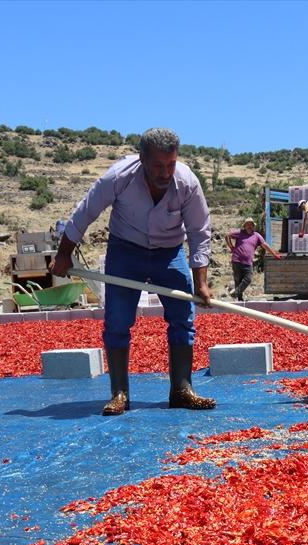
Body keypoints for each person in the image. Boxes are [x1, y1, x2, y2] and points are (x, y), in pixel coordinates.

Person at [51, 128, 215, 414]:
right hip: (125, 250)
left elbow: (199, 232)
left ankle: (182, 388)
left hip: (169, 253)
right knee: (117, 320)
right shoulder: (118, 177)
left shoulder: (187, 183)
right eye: (158, 165)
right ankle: (119, 393)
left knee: (182, 317)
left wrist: (200, 282)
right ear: (142, 159)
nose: (165, 173)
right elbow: (85, 213)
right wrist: (64, 254)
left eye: (171, 164)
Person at [224, 218, 279, 301]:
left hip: (248, 262)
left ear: (253, 226)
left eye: (251, 224)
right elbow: (227, 236)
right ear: (245, 225)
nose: (249, 225)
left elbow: (264, 245)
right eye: (248, 224)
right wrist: (231, 247)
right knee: (238, 280)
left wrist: (274, 254)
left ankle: (234, 294)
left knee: (248, 279)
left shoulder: (256, 235)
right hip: (237, 260)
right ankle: (239, 299)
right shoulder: (240, 233)